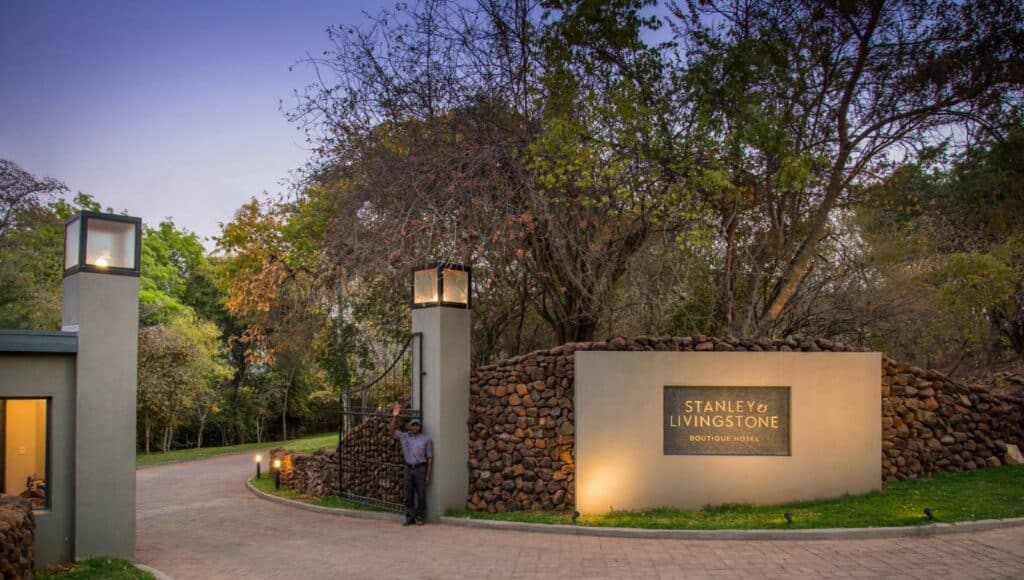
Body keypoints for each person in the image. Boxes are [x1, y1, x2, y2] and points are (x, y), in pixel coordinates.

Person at [389, 402, 433, 526]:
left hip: (420, 469)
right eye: (413, 425)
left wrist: (428, 475)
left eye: (417, 425)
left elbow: (430, 458)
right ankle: (410, 517)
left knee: (421, 495)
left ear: (420, 427)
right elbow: (392, 431)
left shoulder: (426, 439)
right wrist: (395, 416)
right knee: (408, 495)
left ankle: (420, 517)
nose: (414, 427)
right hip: (408, 468)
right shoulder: (404, 436)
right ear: (409, 426)